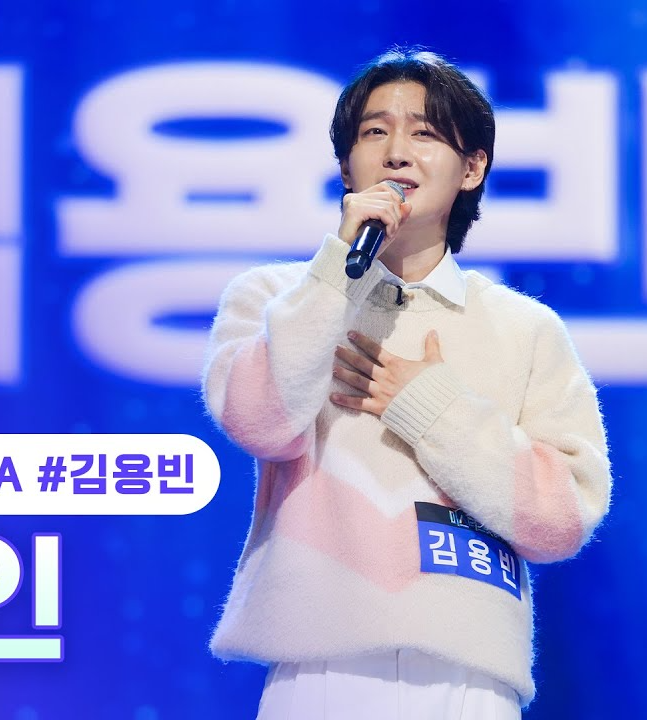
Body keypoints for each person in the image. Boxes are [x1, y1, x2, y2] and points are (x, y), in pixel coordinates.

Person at [200, 47, 613, 720]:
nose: (396, 153)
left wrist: (428, 406)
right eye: (374, 132)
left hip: (469, 679)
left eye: (424, 133)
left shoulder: (524, 329)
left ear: (471, 168)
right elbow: (261, 422)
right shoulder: (278, 298)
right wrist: (336, 271)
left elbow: (562, 517)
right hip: (322, 671)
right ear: (346, 167)